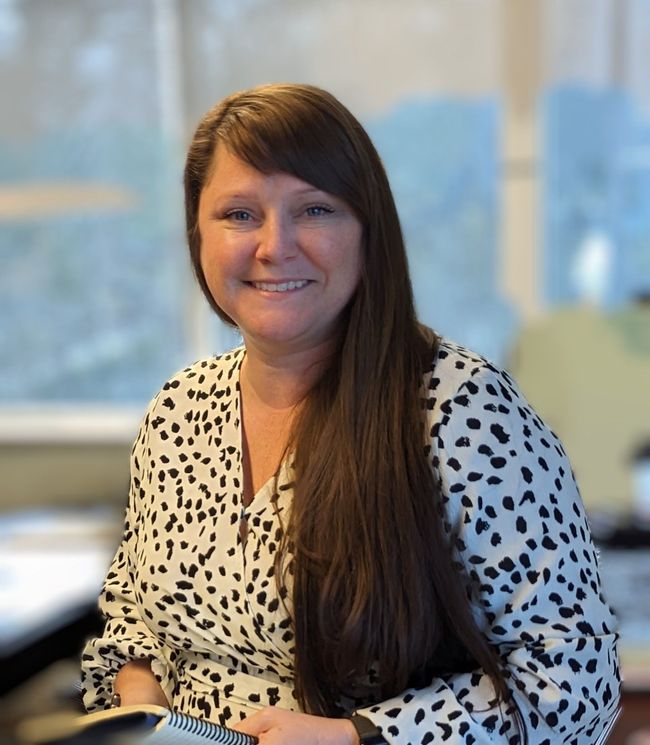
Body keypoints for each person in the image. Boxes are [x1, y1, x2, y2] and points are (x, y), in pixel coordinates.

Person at [81, 83, 620, 745]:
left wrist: (356, 736)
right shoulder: (177, 408)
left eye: (313, 209)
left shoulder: (462, 412)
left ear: (369, 230)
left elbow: (575, 679)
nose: (274, 246)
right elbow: (133, 614)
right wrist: (144, 711)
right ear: (198, 232)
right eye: (239, 214)